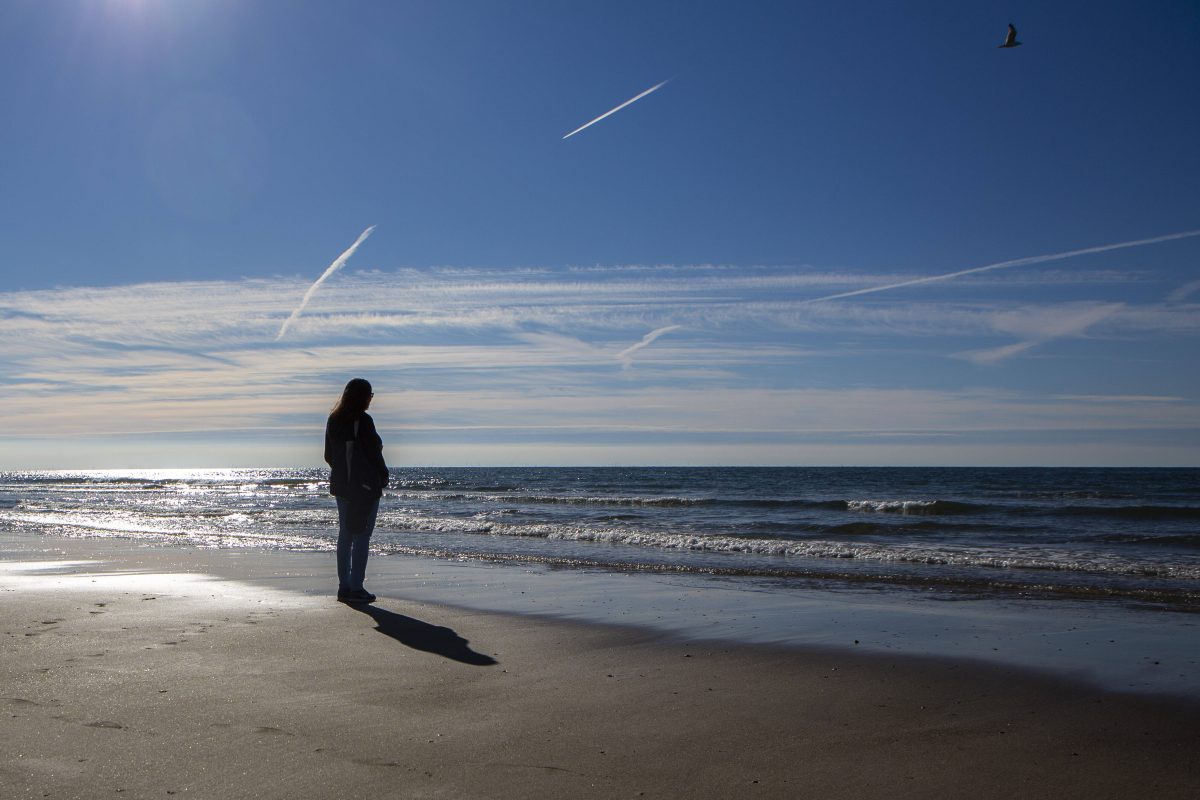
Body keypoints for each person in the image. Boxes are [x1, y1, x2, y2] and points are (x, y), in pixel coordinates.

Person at [324, 378, 389, 603]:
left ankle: (345, 586)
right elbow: (374, 454)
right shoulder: (364, 420)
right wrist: (382, 477)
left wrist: (343, 472)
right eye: (370, 395)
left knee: (346, 535)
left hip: (342, 485)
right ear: (363, 397)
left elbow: (328, 455)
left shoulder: (334, 419)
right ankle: (356, 586)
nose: (371, 399)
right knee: (362, 535)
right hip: (364, 487)